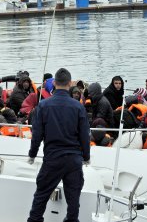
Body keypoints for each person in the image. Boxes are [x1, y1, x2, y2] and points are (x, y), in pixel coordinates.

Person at [27, 68, 90, 222]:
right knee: (73, 199)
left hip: (53, 158)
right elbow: (84, 136)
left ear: (54, 83)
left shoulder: (43, 106)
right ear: (70, 83)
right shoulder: (78, 107)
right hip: (73, 160)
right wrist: (86, 157)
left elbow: (37, 135)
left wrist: (32, 154)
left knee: (41, 195)